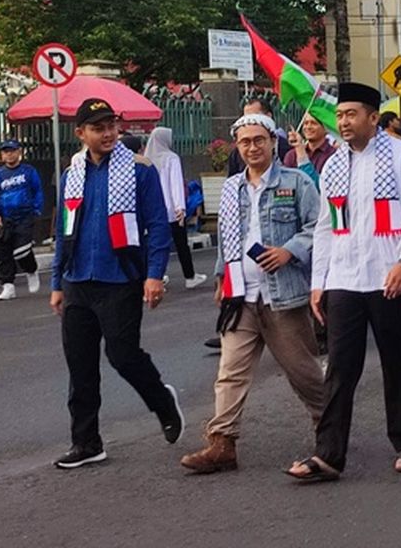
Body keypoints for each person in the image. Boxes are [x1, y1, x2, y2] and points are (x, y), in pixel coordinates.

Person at [285, 83, 401, 483]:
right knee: (340, 367)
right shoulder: (333, 164)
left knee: (396, 359)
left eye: (352, 115)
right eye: (341, 115)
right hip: (345, 279)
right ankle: (329, 454)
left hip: (389, 274)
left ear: (372, 117)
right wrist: (320, 281)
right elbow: (326, 226)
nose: (344, 122)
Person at [180, 113, 326, 474]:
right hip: (240, 297)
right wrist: (220, 278)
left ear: (272, 142)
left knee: (303, 371)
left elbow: (319, 226)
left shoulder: (296, 183)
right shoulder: (232, 188)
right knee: (230, 371)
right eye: (245, 142)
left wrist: (290, 250)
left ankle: (330, 429)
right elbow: (228, 239)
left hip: (283, 295)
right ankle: (222, 442)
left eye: (259, 140)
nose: (252, 147)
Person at [49, 98, 183, 469]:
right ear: (80, 133)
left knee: (122, 355)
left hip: (120, 277)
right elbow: (64, 230)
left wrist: (154, 274)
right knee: (80, 365)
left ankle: (161, 400)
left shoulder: (140, 171)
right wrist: (57, 282)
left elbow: (158, 225)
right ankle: (87, 442)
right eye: (98, 127)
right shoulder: (71, 174)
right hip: (78, 280)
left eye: (112, 126)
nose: (108, 133)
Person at [144, 127, 207, 290]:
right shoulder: (171, 158)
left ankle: (155, 276)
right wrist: (180, 207)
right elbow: (176, 184)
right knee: (181, 244)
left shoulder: (146, 159)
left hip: (152, 210)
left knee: (155, 245)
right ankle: (190, 276)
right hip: (171, 210)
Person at [0, 140, 44, 300]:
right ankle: (8, 286)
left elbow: (37, 191)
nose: (9, 154)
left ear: (19, 152)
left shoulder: (29, 171)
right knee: (3, 251)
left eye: (12, 151)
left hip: (25, 216)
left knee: (22, 249)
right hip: (5, 219)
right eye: (5, 152)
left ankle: (31, 270)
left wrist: (36, 209)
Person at [227, 98, 291, 176]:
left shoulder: (286, 148)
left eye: (255, 117)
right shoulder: (236, 154)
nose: (253, 148)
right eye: (246, 118)